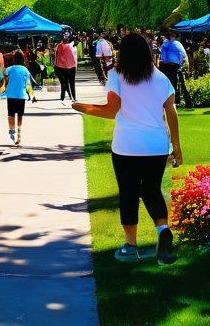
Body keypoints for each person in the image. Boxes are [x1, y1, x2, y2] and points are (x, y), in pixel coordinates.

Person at [73, 32, 182, 265]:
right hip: (156, 146)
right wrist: (177, 146)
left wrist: (81, 107)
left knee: (129, 193)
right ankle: (162, 230)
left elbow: (111, 110)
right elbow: (171, 113)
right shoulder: (161, 78)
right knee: (152, 189)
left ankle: (131, 246)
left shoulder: (116, 75)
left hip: (126, 147)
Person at [0, 50, 33, 147]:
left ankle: (12, 130)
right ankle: (19, 133)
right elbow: (28, 84)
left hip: (11, 95)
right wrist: (32, 95)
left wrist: (6, 57)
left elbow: (3, 72)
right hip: (21, 95)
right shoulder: (25, 70)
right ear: (23, 59)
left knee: (11, 114)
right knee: (20, 115)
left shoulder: (10, 69)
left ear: (14, 59)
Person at [157, 32, 188, 106]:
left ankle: (172, 99)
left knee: (171, 83)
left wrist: (164, 61)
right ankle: (176, 99)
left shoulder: (167, 44)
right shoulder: (177, 44)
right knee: (175, 83)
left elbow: (163, 55)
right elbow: (183, 54)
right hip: (175, 66)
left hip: (169, 66)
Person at [54, 35, 78, 103]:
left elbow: (57, 57)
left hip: (62, 67)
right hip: (71, 67)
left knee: (64, 83)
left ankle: (64, 97)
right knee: (71, 83)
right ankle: (72, 97)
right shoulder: (72, 46)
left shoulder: (59, 46)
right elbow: (75, 58)